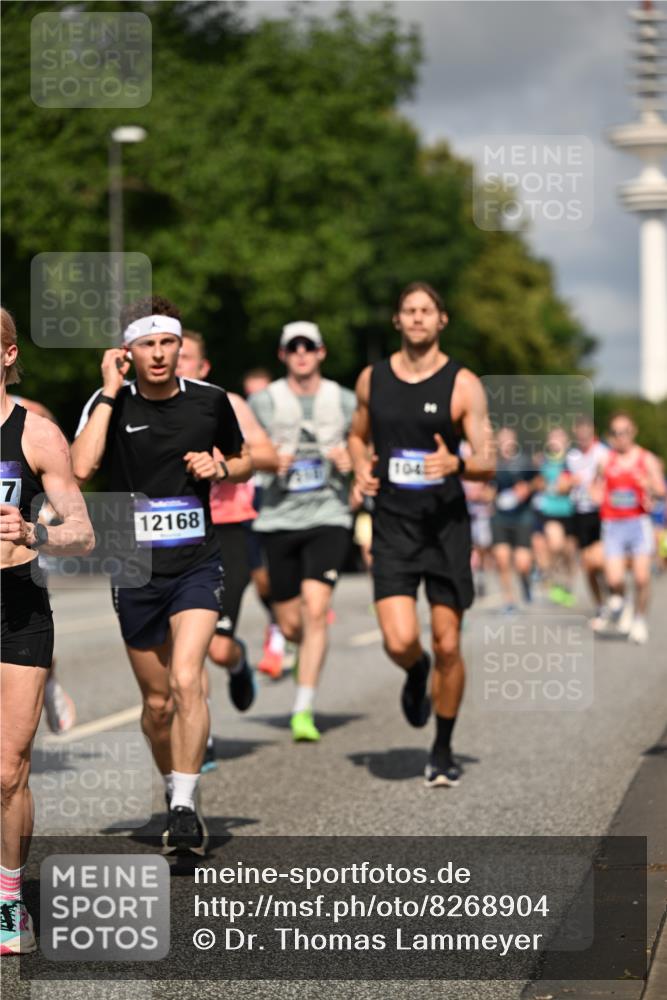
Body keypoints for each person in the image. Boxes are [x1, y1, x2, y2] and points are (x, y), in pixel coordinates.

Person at [71, 297, 250, 855]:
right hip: (132, 562)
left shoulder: (211, 402)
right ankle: (176, 786)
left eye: (166, 343)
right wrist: (106, 390)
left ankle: (183, 803)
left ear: (179, 348)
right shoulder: (109, 403)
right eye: (145, 344)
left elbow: (244, 458)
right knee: (156, 705)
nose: (157, 354)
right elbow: (80, 467)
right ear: (128, 352)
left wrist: (220, 467)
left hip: (197, 559)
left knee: (187, 679)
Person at [349, 282, 494, 789]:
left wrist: (457, 463)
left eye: (425, 311)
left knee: (449, 644)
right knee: (400, 639)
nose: (416, 318)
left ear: (441, 320)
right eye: (408, 310)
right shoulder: (373, 379)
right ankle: (415, 671)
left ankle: (442, 747)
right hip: (392, 525)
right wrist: (358, 470)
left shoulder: (463, 384)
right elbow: (356, 434)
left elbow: (488, 460)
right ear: (397, 321)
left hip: (445, 528)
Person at [1, 307, 94, 954]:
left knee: (7, 770)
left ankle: (9, 900)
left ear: (7, 355)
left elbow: (83, 532)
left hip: (16, 608)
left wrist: (34, 532)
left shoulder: (36, 434)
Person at [175, 331, 278, 770]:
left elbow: (268, 455)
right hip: (176, 534)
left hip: (228, 531)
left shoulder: (228, 403)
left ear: (204, 366)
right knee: (184, 645)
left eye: (186, 358)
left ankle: (238, 664)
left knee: (216, 647)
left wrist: (223, 462)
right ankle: (205, 737)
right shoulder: (146, 405)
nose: (175, 363)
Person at [248, 321, 356, 741]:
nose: (301, 354)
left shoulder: (344, 400)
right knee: (291, 621)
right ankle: (290, 642)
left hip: (329, 514)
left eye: (308, 347)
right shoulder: (264, 402)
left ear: (321, 352)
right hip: (278, 518)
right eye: (293, 348)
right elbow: (243, 453)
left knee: (316, 610)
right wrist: (270, 460)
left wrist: (353, 462)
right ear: (283, 355)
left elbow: (369, 446)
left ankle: (303, 707)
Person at [7, 393, 76, 733]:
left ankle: (46, 676)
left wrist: (40, 522)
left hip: (22, 556)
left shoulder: (32, 417)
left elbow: (61, 468)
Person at [591, 412, 665, 644]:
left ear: (633, 433)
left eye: (624, 432)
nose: (619, 437)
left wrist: (650, 487)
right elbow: (595, 487)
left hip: (638, 523)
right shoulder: (606, 460)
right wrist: (597, 497)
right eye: (615, 432)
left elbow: (661, 490)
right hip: (613, 524)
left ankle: (640, 620)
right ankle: (624, 602)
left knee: (642, 578)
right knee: (614, 580)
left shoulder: (646, 459)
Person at [243, 368, 292, 677]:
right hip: (247, 500)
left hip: (279, 499)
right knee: (260, 579)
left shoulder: (283, 419)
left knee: (281, 573)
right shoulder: (237, 418)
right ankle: (278, 623)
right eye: (251, 395)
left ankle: (283, 631)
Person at [489, 427, 540, 612]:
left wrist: (527, 487)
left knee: (522, 563)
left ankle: (526, 582)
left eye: (508, 439)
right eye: (501, 440)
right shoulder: (493, 463)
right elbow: (488, 488)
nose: (504, 444)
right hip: (500, 516)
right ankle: (509, 601)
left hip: (522, 516)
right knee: (502, 559)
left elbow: (540, 482)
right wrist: (487, 495)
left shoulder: (525, 461)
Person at [565, 416, 608, 614]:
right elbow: (560, 484)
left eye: (586, 430)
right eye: (579, 430)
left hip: (600, 513)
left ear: (593, 431)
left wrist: (599, 486)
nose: (583, 434)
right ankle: (600, 604)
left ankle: (614, 594)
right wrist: (568, 482)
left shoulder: (603, 453)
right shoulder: (571, 456)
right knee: (587, 565)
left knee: (600, 561)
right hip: (579, 513)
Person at [535, 427, 577, 607]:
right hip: (551, 511)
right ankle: (551, 578)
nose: (556, 441)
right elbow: (536, 483)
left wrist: (570, 484)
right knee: (556, 544)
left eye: (559, 437)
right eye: (552, 437)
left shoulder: (572, 461)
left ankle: (566, 586)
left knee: (568, 553)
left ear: (567, 442)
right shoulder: (542, 461)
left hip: (570, 512)